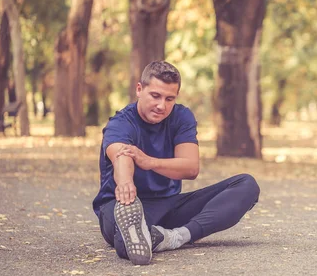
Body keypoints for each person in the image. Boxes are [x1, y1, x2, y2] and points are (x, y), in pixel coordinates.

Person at [92, 61, 260, 265]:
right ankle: (138, 233)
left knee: (246, 185)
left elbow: (190, 168)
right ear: (139, 89)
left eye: (169, 99)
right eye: (155, 96)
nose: (161, 105)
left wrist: (149, 162)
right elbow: (121, 156)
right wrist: (126, 183)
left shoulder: (181, 117)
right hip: (124, 205)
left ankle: (175, 237)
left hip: (169, 205)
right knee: (123, 237)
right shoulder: (121, 123)